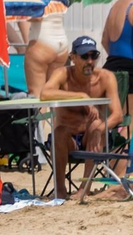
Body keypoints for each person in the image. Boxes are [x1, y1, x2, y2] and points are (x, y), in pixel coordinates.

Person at [40, 36, 124, 200]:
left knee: (96, 125)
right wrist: (81, 96)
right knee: (59, 132)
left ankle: (84, 189)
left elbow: (118, 115)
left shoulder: (105, 78)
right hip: (67, 139)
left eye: (94, 56)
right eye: (85, 56)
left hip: (92, 137)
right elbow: (44, 93)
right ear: (72, 57)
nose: (90, 61)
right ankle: (60, 189)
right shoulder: (63, 74)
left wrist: (100, 129)